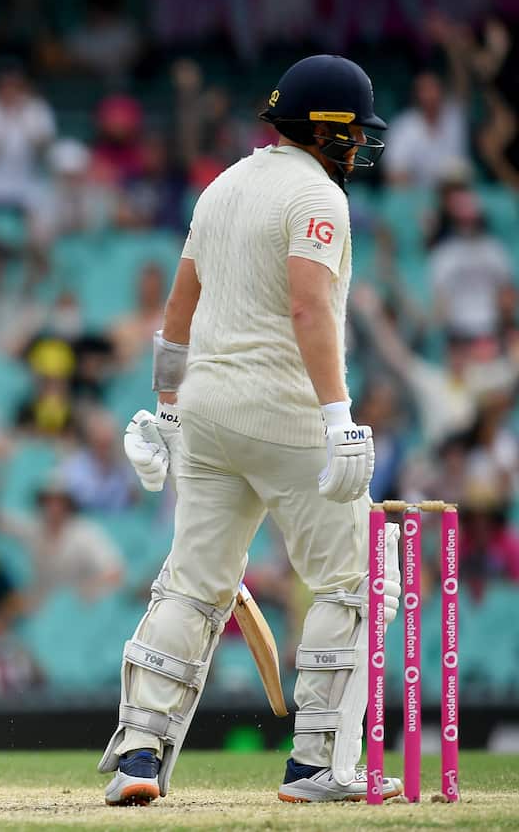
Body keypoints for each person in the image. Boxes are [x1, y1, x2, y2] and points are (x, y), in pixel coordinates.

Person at [101, 56, 404, 805]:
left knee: (192, 582)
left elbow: (177, 313)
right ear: (324, 130)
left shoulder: (222, 185)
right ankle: (317, 766)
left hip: (208, 412)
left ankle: (138, 754)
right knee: (358, 580)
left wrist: (168, 410)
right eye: (352, 133)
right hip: (286, 411)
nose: (358, 147)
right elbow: (308, 306)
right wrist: (338, 417)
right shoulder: (318, 194)